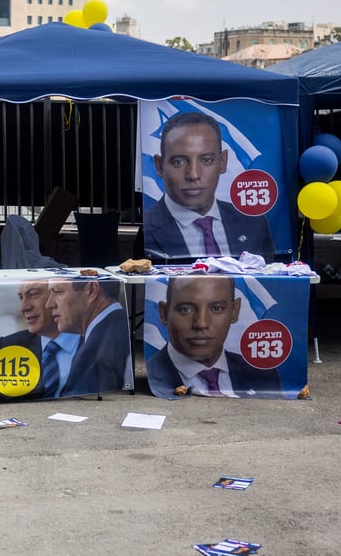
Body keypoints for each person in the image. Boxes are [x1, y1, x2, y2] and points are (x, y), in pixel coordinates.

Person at [145, 111, 274, 261]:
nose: (193, 175)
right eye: (179, 162)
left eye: (206, 160)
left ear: (222, 162)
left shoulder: (254, 225)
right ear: (159, 166)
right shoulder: (147, 230)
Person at [147, 274, 284, 398]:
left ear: (235, 311)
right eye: (186, 309)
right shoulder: (152, 375)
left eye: (217, 308)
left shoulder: (264, 375)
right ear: (164, 313)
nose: (201, 324)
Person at [46, 277, 133, 396]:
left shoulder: (92, 353)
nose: (49, 304)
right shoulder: (117, 325)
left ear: (92, 290)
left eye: (58, 292)